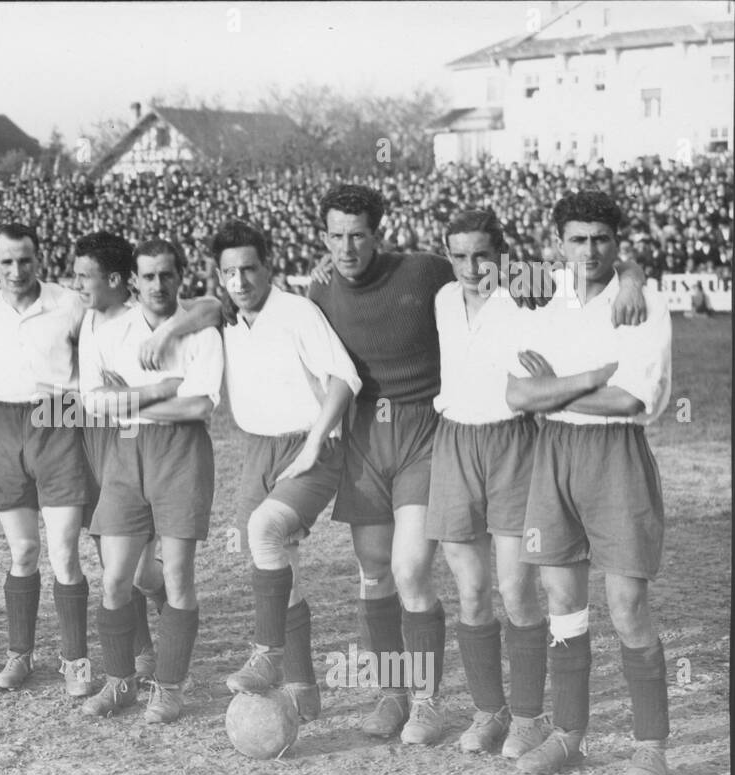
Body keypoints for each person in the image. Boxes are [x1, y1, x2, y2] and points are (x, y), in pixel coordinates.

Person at [145, 184, 648, 746]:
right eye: (335, 236)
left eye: (358, 233)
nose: (347, 246)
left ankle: (455, 707)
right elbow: (227, 300)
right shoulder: (318, 290)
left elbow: (580, 263)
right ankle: (396, 694)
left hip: (432, 434)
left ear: (378, 233)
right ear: (323, 238)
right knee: (376, 570)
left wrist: (630, 275)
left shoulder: (432, 274)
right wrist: (173, 326)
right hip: (366, 437)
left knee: (423, 571)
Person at [505, 190, 673, 775]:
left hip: (616, 455)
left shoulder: (643, 302)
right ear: (558, 244)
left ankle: (650, 746)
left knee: (627, 605)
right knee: (562, 603)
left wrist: (557, 387)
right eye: (578, 239)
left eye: (602, 238)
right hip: (553, 453)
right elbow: (519, 395)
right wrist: (584, 380)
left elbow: (631, 399)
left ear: (618, 243)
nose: (590, 249)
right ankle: (569, 735)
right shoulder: (540, 293)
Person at [429, 209, 576, 755]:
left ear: (501, 253)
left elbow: (581, 278)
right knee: (470, 591)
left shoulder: (526, 293)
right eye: (460, 255)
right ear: (448, 255)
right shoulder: (442, 298)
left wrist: (629, 276)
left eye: (483, 255)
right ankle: (488, 712)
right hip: (454, 444)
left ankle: (529, 717)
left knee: (516, 589)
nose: (472, 266)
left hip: (513, 443)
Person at [212, 220, 360, 721]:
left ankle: (269, 653)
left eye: (249, 268)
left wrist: (316, 441)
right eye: (229, 272)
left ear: (269, 266)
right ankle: (303, 687)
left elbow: (344, 379)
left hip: (313, 445)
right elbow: (197, 311)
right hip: (258, 450)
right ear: (218, 276)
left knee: (264, 530)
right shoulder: (226, 318)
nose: (240, 280)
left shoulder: (298, 311)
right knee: (278, 567)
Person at [78, 239, 224, 724]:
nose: (157, 285)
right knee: (119, 577)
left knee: (178, 575)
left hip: (182, 454)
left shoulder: (201, 331)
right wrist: (162, 389)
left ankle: (169, 687)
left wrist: (132, 398)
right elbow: (95, 401)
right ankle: (120, 681)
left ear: (180, 276)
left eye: (167, 275)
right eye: (148, 277)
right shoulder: (111, 330)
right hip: (125, 452)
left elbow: (200, 406)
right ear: (133, 282)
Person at [0, 223, 92, 693]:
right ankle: (19, 656)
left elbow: (97, 366)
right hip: (3, 421)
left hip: (58, 420)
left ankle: (75, 661)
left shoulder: (68, 304)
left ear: (39, 260)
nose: (16, 270)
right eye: (6, 262)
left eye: (25, 260)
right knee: (22, 550)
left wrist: (68, 400)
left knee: (64, 551)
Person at [72, 232, 169, 694]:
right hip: (92, 439)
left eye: (83, 277)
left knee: (139, 570)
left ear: (114, 279)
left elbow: (141, 396)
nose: (76, 285)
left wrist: (120, 395)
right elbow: (93, 398)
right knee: (113, 558)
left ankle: (163, 638)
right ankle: (139, 652)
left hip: (133, 440)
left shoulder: (145, 320)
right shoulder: (83, 314)